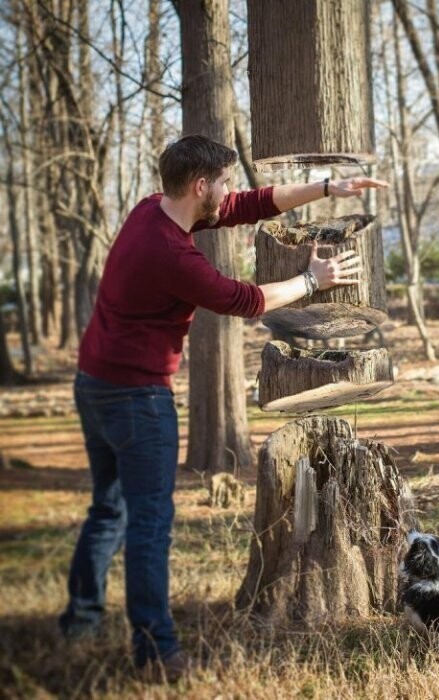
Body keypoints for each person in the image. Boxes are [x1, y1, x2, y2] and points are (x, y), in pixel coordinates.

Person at [58, 134, 388, 679]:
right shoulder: (172, 255)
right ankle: (155, 653)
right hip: (137, 400)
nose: (230, 191)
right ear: (200, 185)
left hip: (94, 384)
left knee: (109, 511)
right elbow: (245, 300)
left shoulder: (154, 212)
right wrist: (313, 280)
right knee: (149, 524)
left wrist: (330, 186)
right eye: (224, 181)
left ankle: (80, 622)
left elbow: (246, 206)